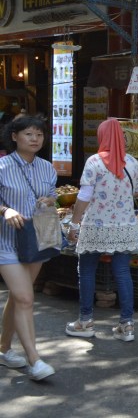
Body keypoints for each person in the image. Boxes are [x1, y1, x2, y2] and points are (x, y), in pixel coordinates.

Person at [65, 119, 138, 343]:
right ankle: (127, 325)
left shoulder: (94, 161)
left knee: (87, 271)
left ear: (102, 136)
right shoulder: (132, 162)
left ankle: (85, 321)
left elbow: (84, 196)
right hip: (125, 225)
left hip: (96, 225)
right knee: (122, 272)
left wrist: (74, 224)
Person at [0, 115, 56, 380]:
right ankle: (35, 361)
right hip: (5, 241)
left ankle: (4, 349)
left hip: (36, 241)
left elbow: (53, 196)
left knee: (18, 297)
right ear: (15, 137)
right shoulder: (2, 166)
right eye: (28, 134)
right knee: (25, 298)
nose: (35, 139)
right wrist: (5, 210)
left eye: (39, 134)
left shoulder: (48, 168)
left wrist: (50, 201)